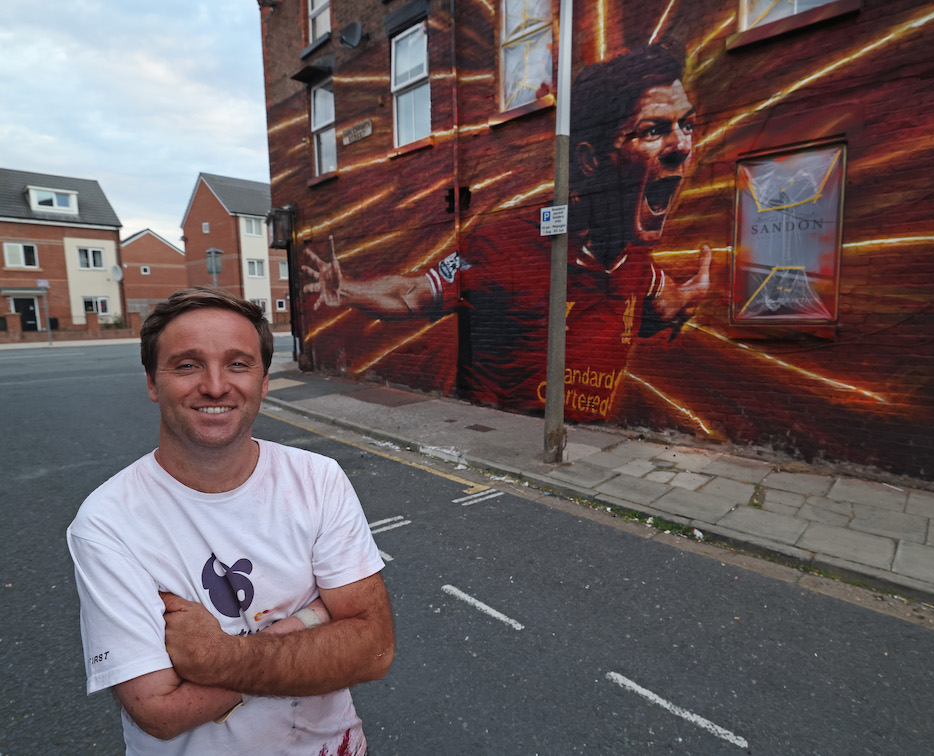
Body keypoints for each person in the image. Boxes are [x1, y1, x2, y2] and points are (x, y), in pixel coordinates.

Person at [301, 43, 711, 422]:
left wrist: (690, 298)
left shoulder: (637, 265)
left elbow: (665, 303)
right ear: (588, 162)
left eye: (688, 125)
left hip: (584, 442)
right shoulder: (501, 248)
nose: (682, 146)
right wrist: (349, 290)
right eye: (653, 131)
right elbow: (414, 293)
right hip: (502, 437)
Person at [67, 287, 393, 755]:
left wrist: (218, 658)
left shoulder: (317, 478)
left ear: (263, 381)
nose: (216, 385)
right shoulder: (107, 523)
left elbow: (374, 650)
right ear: (152, 382)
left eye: (238, 364)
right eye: (187, 364)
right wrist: (309, 624)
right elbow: (159, 713)